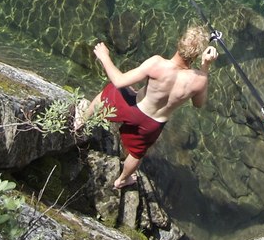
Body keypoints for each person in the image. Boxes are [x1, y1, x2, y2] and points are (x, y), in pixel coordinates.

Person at [80, 26, 217, 189]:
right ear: (197, 55)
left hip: (134, 110)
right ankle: (122, 180)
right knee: (136, 153)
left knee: (108, 92)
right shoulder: (199, 80)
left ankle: (81, 122)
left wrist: (105, 57)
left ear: (179, 42)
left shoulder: (157, 63)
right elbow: (198, 104)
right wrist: (205, 66)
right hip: (153, 125)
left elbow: (119, 81)